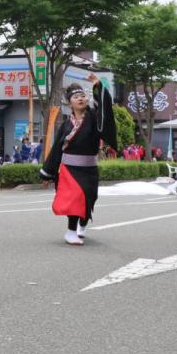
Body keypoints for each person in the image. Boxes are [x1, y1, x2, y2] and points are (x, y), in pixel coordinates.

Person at [39, 74, 117, 246]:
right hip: (69, 169)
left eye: (83, 95)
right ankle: (71, 231)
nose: (80, 99)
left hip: (89, 168)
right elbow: (56, 150)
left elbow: (105, 110)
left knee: (89, 198)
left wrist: (98, 86)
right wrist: (48, 172)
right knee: (75, 198)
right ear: (69, 103)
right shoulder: (66, 125)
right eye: (76, 97)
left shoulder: (95, 119)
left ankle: (82, 223)